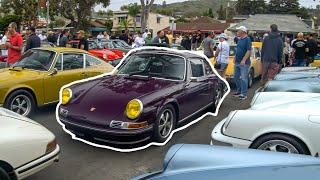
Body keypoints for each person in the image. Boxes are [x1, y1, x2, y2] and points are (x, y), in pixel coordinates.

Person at [233, 26, 252, 100]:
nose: (237, 32)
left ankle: (243, 94)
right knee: (236, 77)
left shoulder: (247, 39)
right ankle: (239, 91)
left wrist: (244, 60)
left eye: (238, 31)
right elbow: (237, 50)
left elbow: (248, 50)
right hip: (237, 62)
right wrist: (235, 57)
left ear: (243, 32)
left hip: (244, 63)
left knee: (244, 78)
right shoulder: (239, 39)